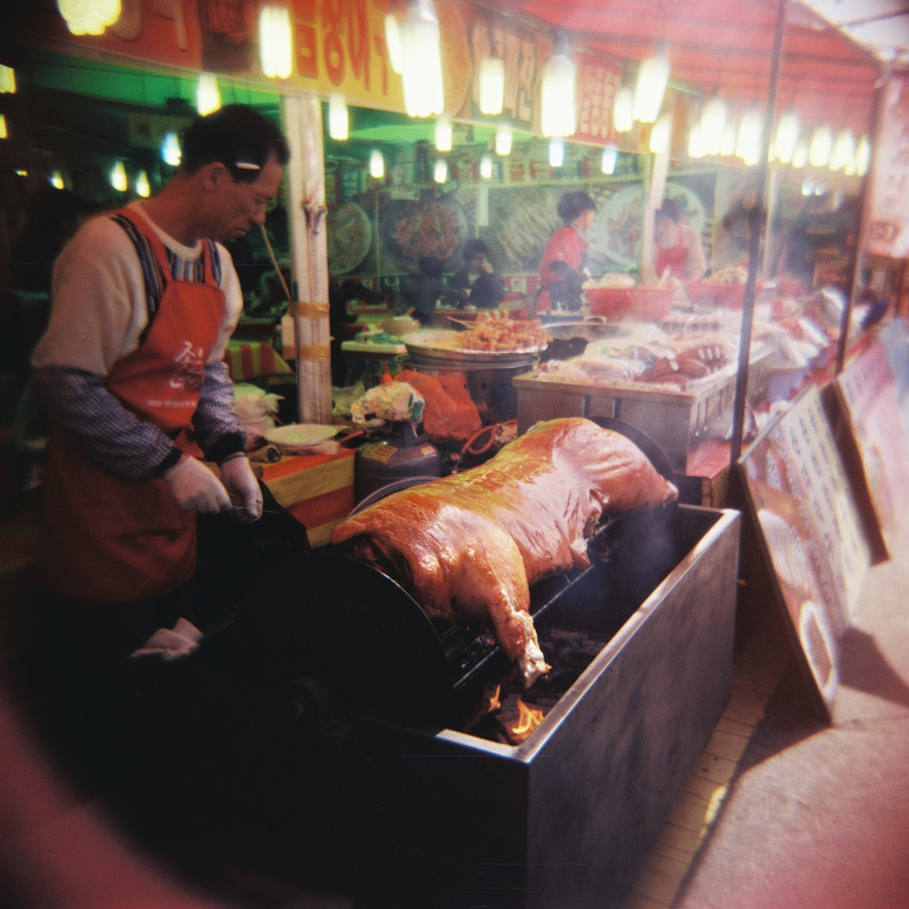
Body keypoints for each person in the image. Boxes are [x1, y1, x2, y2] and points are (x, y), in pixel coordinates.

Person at [29, 104, 289, 665]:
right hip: (100, 527)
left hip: (172, 521)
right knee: (109, 694)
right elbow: (64, 384)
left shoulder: (217, 264)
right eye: (260, 198)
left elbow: (209, 368)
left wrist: (227, 451)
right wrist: (167, 464)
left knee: (174, 681)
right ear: (217, 176)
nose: (263, 218)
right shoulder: (108, 249)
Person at [535, 191, 597, 313]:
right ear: (585, 215)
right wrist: (584, 280)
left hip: (564, 298)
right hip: (554, 300)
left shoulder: (576, 238)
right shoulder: (566, 235)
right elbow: (558, 264)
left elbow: (578, 266)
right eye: (592, 214)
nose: (592, 219)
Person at [401, 255, 467, 326]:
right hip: (422, 319)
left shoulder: (410, 280)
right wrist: (461, 304)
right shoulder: (433, 282)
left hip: (404, 319)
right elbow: (460, 296)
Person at [654, 198, 706, 285]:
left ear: (676, 223)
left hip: (682, 287)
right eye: (657, 224)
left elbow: (697, 265)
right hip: (656, 290)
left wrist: (688, 285)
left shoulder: (689, 234)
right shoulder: (647, 240)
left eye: (666, 224)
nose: (660, 230)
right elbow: (647, 274)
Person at [451, 239, 506, 310]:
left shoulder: (493, 276)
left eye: (484, 257)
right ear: (468, 260)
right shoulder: (460, 276)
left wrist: (491, 275)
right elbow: (453, 298)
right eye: (478, 258)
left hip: (485, 317)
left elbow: (500, 296)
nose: (482, 261)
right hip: (464, 316)